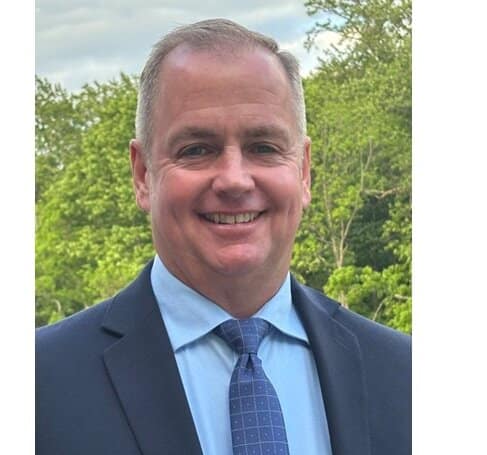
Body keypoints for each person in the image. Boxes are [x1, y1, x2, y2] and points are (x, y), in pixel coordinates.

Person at [36, 18, 411, 455]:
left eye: (264, 147)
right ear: (142, 175)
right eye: (197, 150)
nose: (234, 179)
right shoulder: (40, 385)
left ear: (304, 170)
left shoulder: (405, 375)